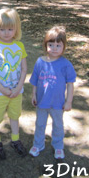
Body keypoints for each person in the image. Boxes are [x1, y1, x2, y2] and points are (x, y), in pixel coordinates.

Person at [0, 8, 28, 159]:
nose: (6, 33)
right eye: (2, 29)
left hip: (16, 92)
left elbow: (24, 67)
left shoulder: (19, 46)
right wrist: (1, 88)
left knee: (15, 116)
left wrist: (20, 86)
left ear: (16, 29)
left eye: (10, 29)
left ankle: (15, 139)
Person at [29, 26, 76, 159]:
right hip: (42, 102)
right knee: (40, 124)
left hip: (57, 103)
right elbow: (35, 80)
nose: (54, 48)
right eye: (51, 45)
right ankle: (38, 144)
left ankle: (58, 146)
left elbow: (70, 84)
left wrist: (69, 101)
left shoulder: (66, 64)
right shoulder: (40, 62)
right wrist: (34, 95)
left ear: (63, 47)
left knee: (58, 126)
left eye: (58, 45)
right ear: (46, 45)